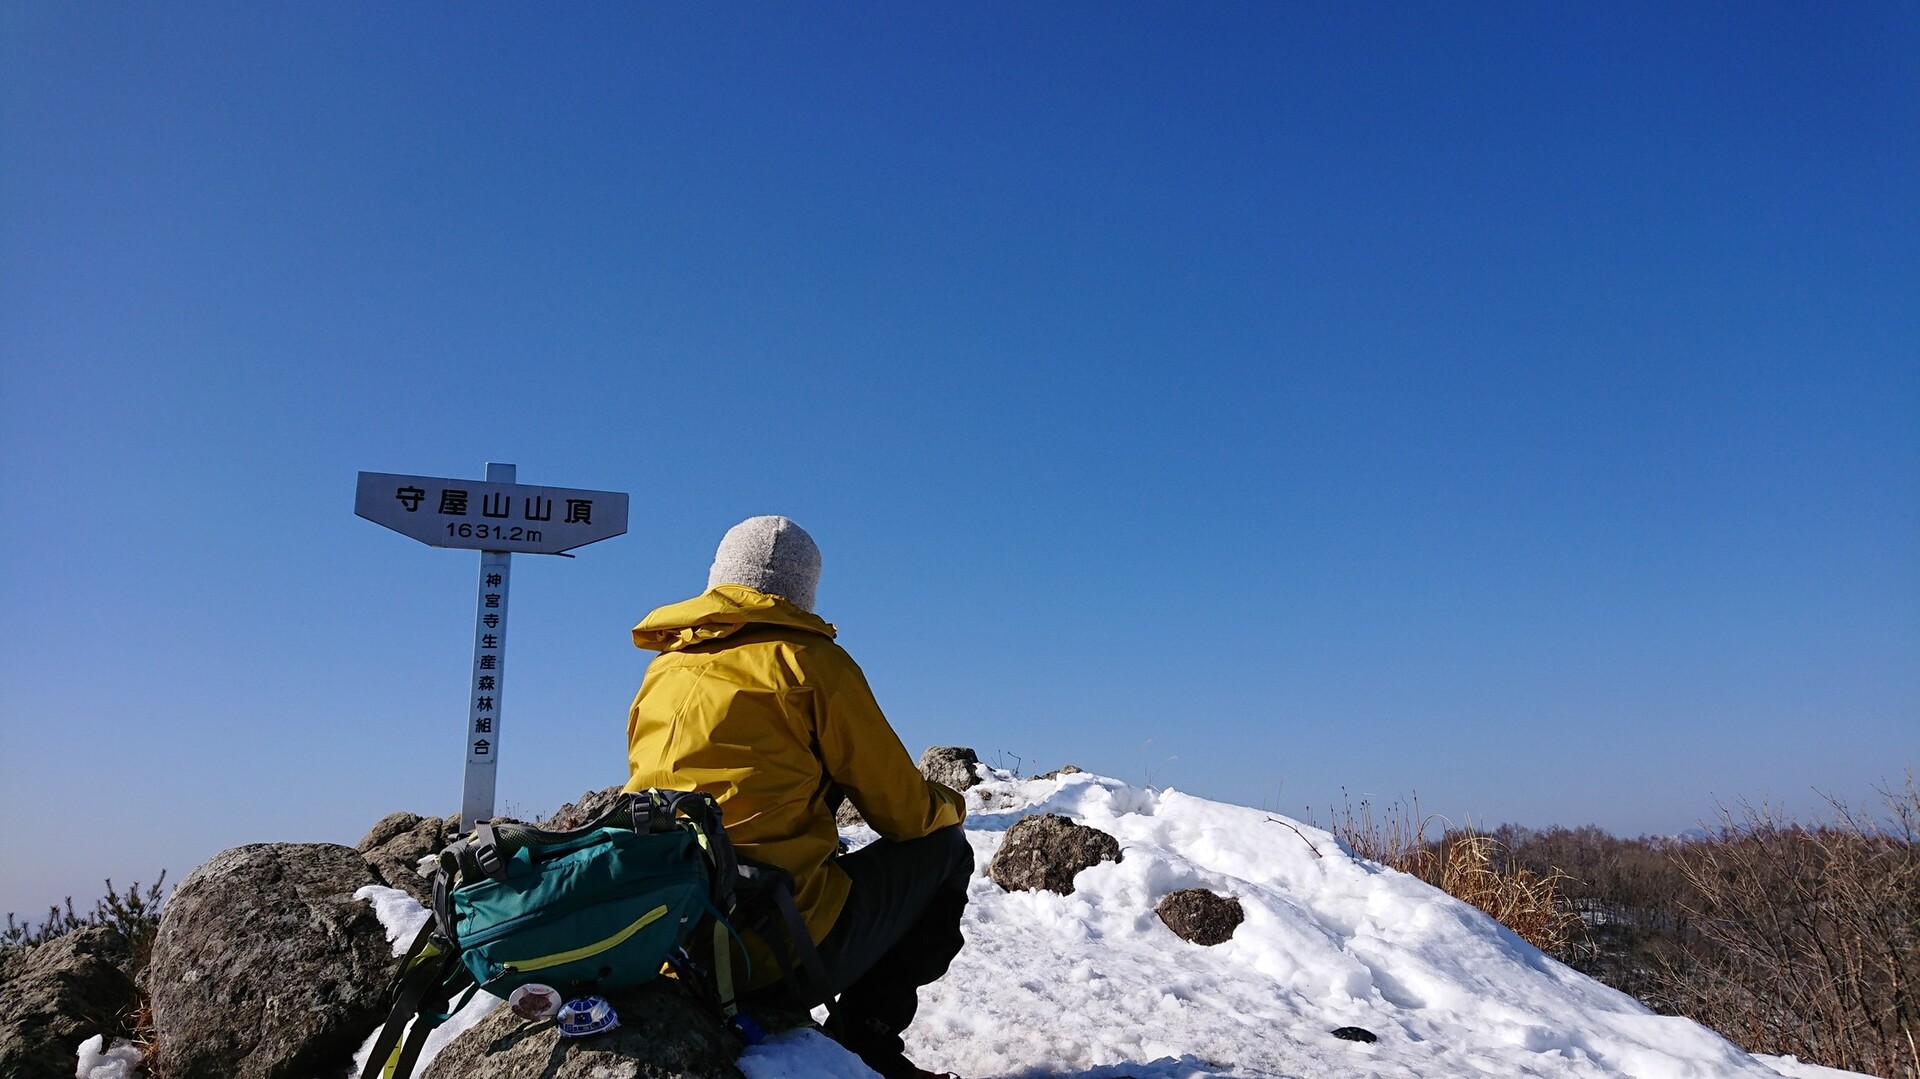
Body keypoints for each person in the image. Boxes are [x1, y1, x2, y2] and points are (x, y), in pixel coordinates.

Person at [623, 515, 972, 1079]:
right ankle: (870, 1039)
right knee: (945, 848)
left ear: (718, 578)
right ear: (802, 588)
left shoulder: (664, 669)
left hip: (669, 939)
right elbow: (904, 814)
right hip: (768, 950)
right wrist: (952, 806)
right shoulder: (809, 663)